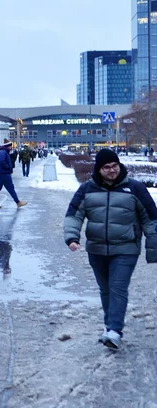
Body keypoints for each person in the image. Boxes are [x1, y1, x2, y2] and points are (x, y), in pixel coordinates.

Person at [64, 149, 157, 350]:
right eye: (107, 167)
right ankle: (109, 327)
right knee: (105, 290)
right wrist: (72, 237)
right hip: (96, 249)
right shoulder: (87, 189)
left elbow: (151, 218)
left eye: (114, 165)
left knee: (117, 288)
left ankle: (115, 330)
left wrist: (153, 247)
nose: (112, 170)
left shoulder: (134, 188)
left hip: (126, 248)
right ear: (99, 169)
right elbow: (74, 214)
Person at [0, 139, 27, 209]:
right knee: (10, 187)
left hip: (1, 172)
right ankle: (18, 202)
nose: (11, 148)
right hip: (4, 173)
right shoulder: (3, 152)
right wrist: (7, 167)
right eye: (10, 146)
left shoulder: (2, 151)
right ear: (7, 146)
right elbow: (1, 161)